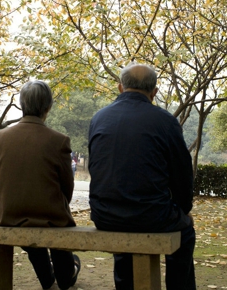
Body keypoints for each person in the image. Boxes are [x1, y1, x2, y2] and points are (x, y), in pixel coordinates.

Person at [88, 63, 196, 290]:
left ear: (120, 87)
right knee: (185, 231)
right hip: (152, 215)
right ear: (154, 92)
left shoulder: (99, 118)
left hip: (104, 215)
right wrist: (183, 209)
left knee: (126, 228)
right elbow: (182, 174)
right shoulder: (165, 121)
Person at [0, 80, 80, 290]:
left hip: (9, 212)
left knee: (28, 220)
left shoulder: (0, 137)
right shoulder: (59, 140)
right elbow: (67, 188)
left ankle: (47, 277)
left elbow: (5, 177)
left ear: (22, 104)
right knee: (54, 224)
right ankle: (66, 275)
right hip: (50, 213)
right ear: (48, 107)